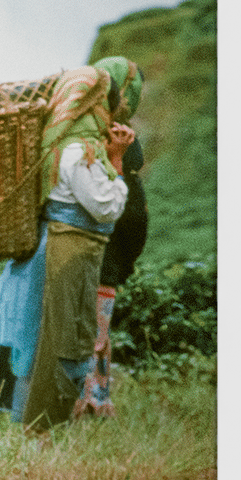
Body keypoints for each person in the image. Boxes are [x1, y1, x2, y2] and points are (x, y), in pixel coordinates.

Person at [0, 55, 141, 432]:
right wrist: (117, 164)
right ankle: (41, 422)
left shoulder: (63, 143)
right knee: (61, 334)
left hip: (67, 248)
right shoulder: (78, 151)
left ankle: (42, 419)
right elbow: (105, 207)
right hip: (69, 249)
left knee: (53, 330)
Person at [78, 112, 150, 417]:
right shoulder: (130, 184)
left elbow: (131, 225)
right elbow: (137, 232)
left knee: (90, 337)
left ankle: (89, 400)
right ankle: (99, 398)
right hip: (107, 273)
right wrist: (124, 265)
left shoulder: (113, 181)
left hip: (100, 270)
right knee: (98, 338)